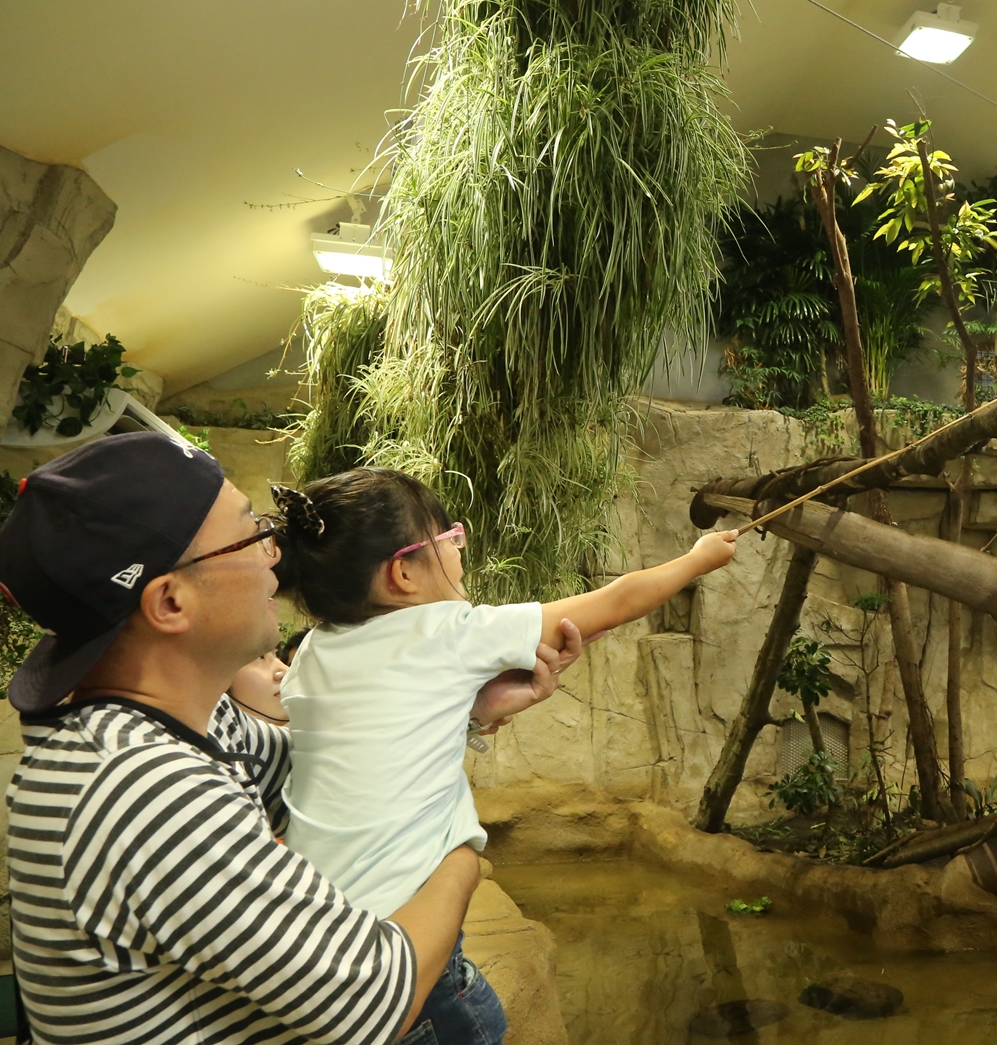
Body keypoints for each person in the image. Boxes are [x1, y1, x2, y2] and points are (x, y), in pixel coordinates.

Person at [0, 433, 576, 1044]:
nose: (276, 557)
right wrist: (461, 854)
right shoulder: (140, 788)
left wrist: (463, 710)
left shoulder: (176, 728)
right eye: (251, 537)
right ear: (171, 601)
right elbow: (375, 1000)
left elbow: (338, 772)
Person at [270, 467, 738, 1045]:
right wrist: (698, 559)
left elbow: (379, 730)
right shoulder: (445, 630)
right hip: (411, 951)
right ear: (404, 572)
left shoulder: (312, 652)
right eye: (451, 539)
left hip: (321, 931)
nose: (459, 551)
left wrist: (473, 710)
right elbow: (614, 603)